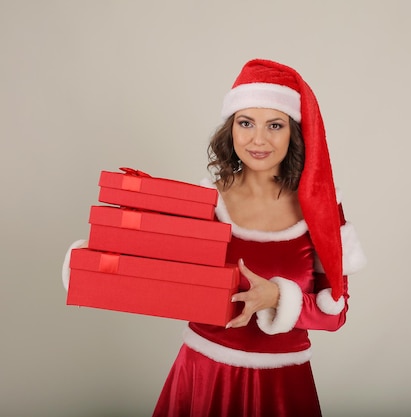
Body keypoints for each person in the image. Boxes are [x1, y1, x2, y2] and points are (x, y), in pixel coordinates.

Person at [62, 58, 366, 416]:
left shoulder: (321, 209)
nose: (258, 139)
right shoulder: (205, 201)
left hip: (283, 385)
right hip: (206, 376)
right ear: (231, 129)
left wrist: (276, 297)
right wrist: (92, 263)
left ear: (294, 132)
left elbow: (335, 313)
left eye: (275, 125)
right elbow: (155, 274)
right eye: (246, 123)